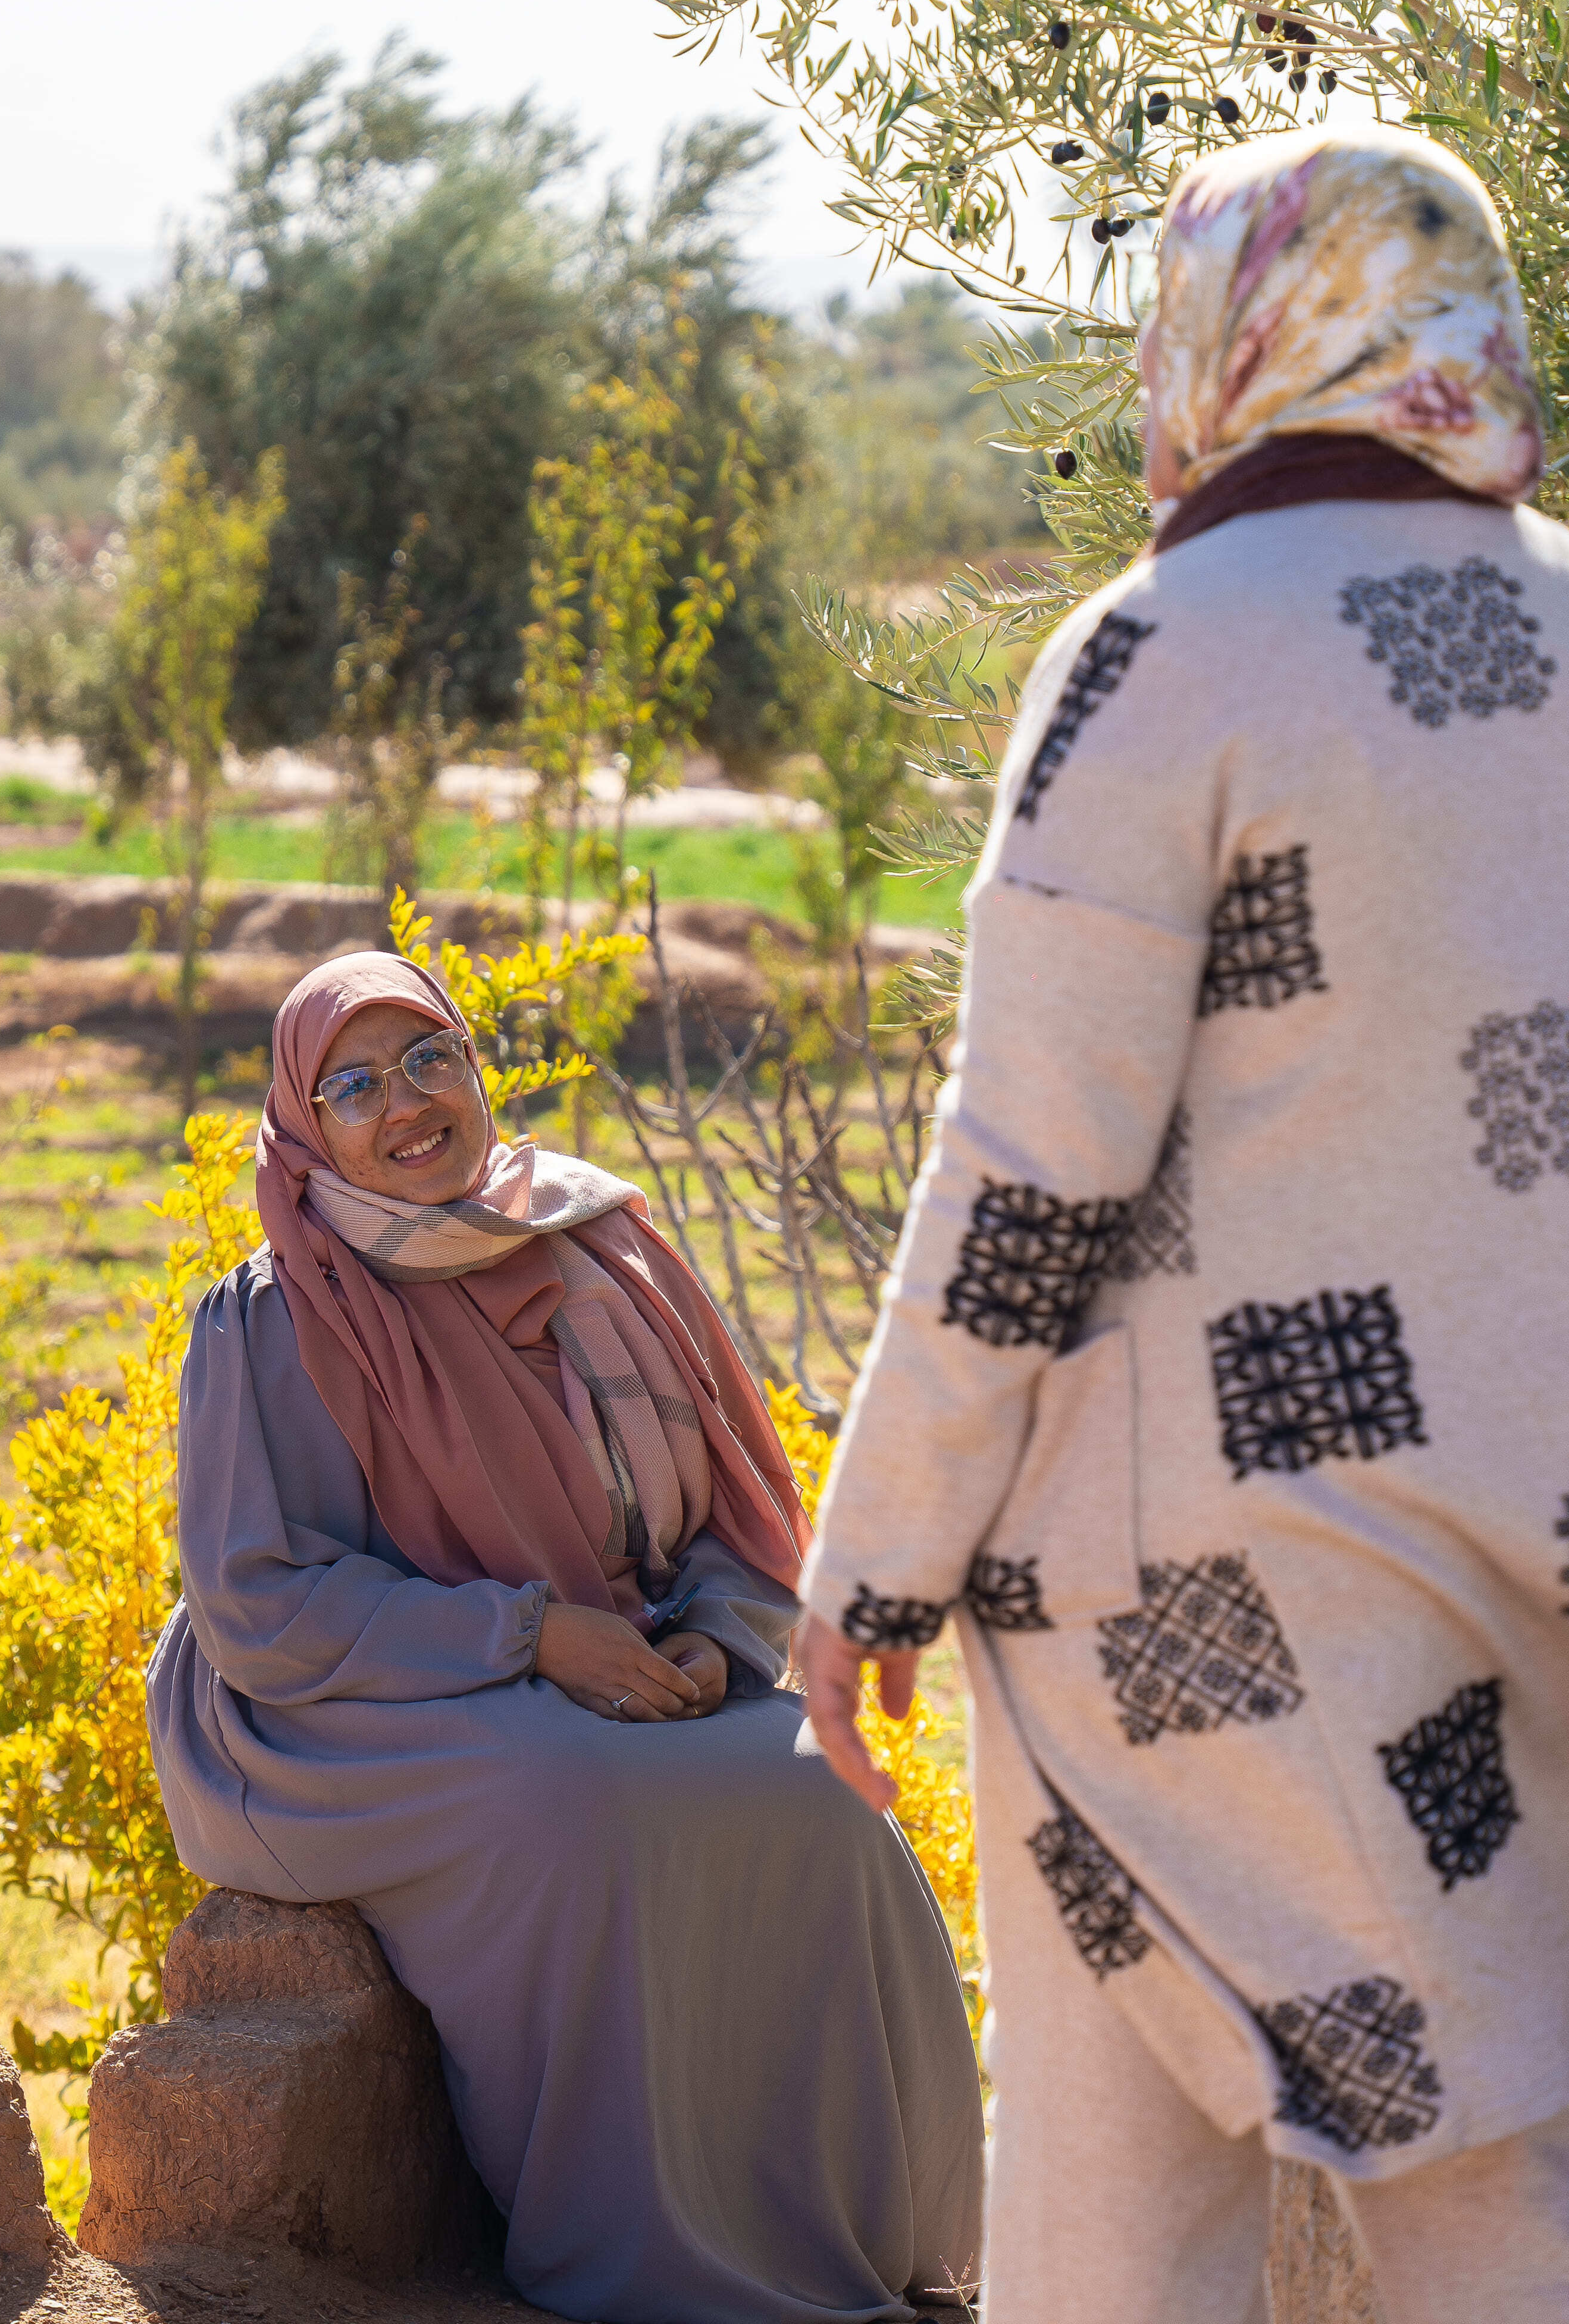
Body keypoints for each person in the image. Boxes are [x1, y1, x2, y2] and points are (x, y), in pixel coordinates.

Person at [794, 126, 1569, 2322]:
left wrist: (880, 1550)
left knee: (1113, 2203)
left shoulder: (1157, 652)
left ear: (1226, 324)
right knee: (1528, 2159)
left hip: (1204, 1571)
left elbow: (1030, 1168)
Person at [149, 949, 986, 2323]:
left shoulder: (601, 1242)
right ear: (306, 1125)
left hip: (613, 1651)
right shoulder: (276, 1312)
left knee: (820, 1782)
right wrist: (531, 1635)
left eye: (431, 1058)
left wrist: (718, 1639)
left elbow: (734, 1510)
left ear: (477, 1070)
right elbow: (263, 1604)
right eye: (354, 1084)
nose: (406, 1101)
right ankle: (657, 2262)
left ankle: (861, 2236)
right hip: (322, 1701)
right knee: (573, 1799)